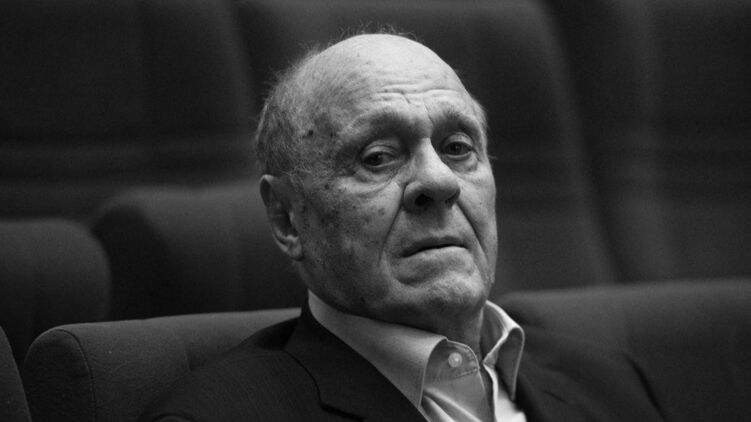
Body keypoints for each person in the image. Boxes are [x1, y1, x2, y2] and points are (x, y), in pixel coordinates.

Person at [140, 33, 665, 422]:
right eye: (378, 157)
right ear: (287, 217)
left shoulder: (611, 384)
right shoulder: (218, 416)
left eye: (457, 148)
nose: (439, 181)